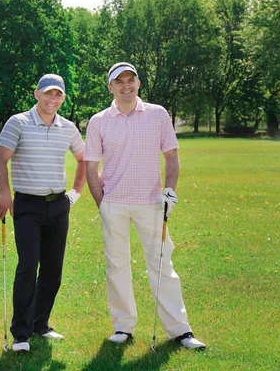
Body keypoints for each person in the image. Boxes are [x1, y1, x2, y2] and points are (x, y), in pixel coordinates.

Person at [84, 62, 206, 349]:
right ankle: (123, 328)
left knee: (163, 266)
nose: (126, 85)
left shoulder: (158, 114)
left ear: (138, 83)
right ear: (110, 87)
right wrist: (102, 203)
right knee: (117, 267)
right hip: (113, 203)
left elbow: (172, 158)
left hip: (152, 204)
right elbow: (91, 167)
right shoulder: (98, 120)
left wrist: (170, 192)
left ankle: (180, 331)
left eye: (131, 80)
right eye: (119, 81)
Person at [0, 73, 86, 353]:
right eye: (48, 93)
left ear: (63, 98)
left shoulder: (68, 127)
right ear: (37, 94)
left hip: (59, 206)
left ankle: (40, 324)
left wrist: (75, 193)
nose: (52, 99)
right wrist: (5, 194)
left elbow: (83, 159)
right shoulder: (18, 122)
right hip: (28, 206)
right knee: (27, 268)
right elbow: (1, 159)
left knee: (53, 271)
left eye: (58, 94)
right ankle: (20, 334)